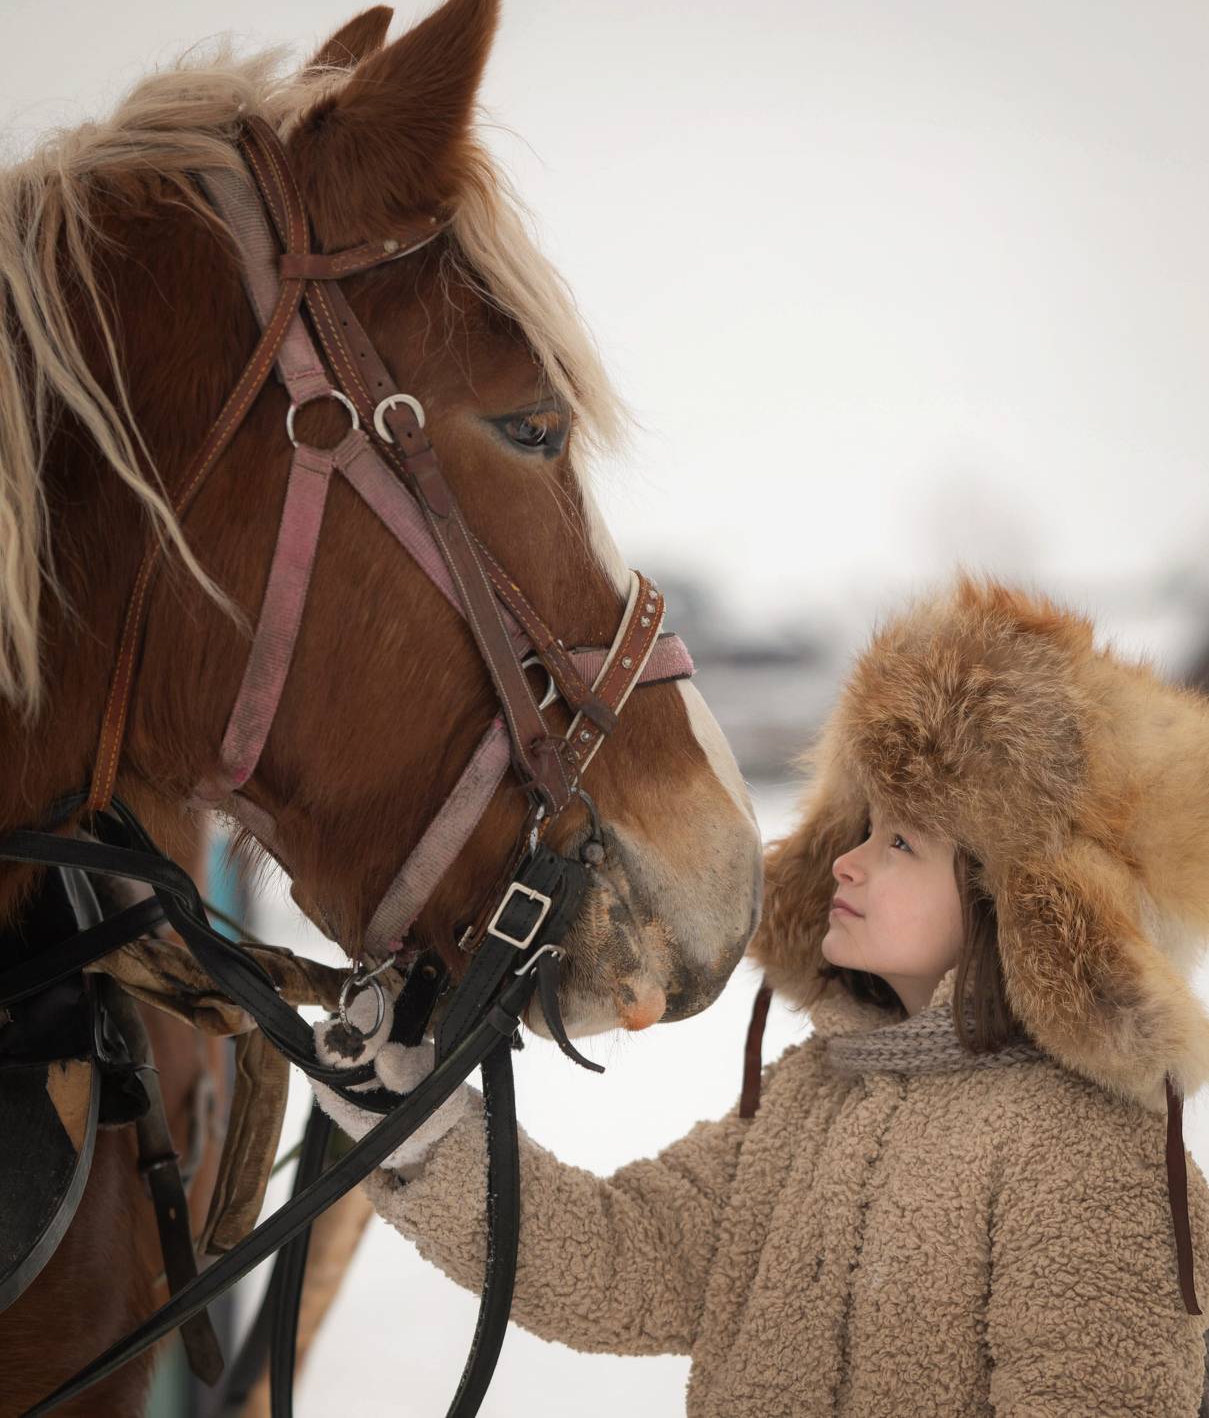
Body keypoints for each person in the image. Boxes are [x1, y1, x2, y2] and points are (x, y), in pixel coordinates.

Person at [311, 571, 1209, 1415]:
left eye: (901, 844)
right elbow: (626, 1260)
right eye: (862, 829)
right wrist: (426, 1135)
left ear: (1008, 896)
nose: (847, 863)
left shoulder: (1092, 1158)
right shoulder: (805, 1097)